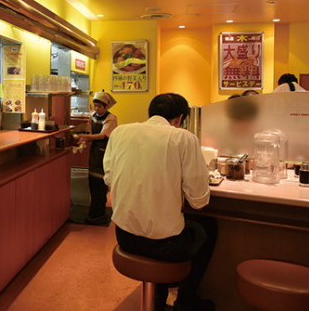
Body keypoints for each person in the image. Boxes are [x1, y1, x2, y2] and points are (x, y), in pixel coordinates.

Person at [103, 93, 217, 311]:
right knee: (207, 227)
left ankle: (158, 298)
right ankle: (185, 299)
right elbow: (199, 201)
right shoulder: (184, 138)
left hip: (124, 236)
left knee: (168, 225)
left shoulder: (120, 132)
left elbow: (109, 178)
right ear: (180, 118)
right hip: (165, 246)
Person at [77, 91, 118, 225]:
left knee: (100, 183)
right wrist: (84, 138)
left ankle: (100, 213)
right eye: (95, 106)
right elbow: (90, 130)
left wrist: (85, 137)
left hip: (104, 152)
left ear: (106, 106)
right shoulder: (93, 116)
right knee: (93, 182)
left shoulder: (111, 118)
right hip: (95, 151)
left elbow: (102, 135)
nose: (97, 109)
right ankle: (94, 212)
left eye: (99, 106)